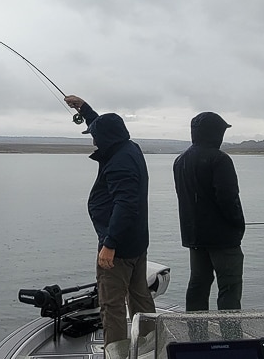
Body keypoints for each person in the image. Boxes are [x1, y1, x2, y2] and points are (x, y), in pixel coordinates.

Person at [64, 95, 155, 356]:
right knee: (140, 296)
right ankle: (149, 347)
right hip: (137, 242)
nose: (93, 140)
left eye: (95, 136)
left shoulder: (119, 161)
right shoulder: (128, 148)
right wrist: (85, 109)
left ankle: (116, 353)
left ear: (105, 139)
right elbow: (106, 131)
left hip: (119, 246)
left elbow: (125, 204)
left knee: (111, 304)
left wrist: (109, 244)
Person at [172, 111, 246, 312]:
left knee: (198, 284)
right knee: (229, 288)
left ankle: (195, 338)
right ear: (215, 133)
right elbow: (228, 198)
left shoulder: (180, 160)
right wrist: (239, 224)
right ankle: (231, 338)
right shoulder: (220, 159)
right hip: (223, 238)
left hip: (194, 237)